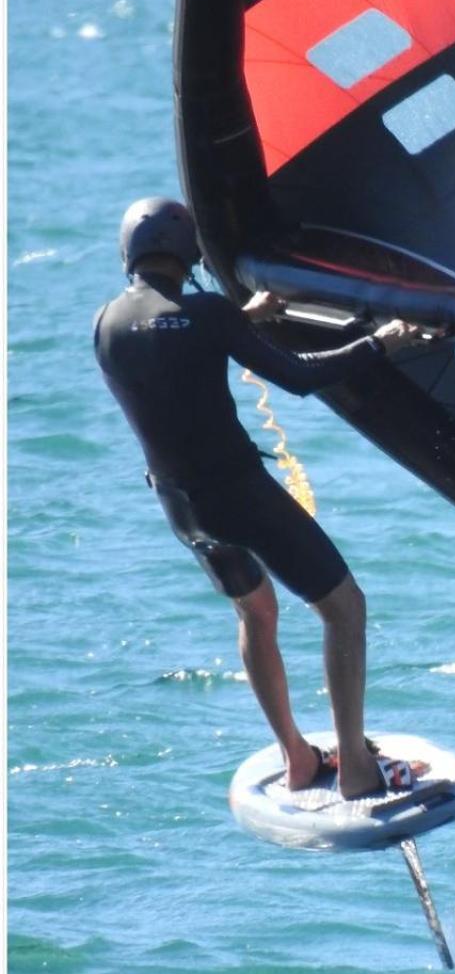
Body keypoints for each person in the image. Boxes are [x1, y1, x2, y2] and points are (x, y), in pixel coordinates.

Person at [94, 195, 432, 801]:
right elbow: (298, 378)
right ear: (187, 252)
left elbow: (173, 353)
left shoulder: (107, 324)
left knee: (256, 612)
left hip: (183, 508)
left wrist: (239, 318)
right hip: (240, 494)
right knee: (344, 608)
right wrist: (385, 341)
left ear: (130, 254)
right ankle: (355, 767)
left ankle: (297, 758)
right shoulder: (208, 313)